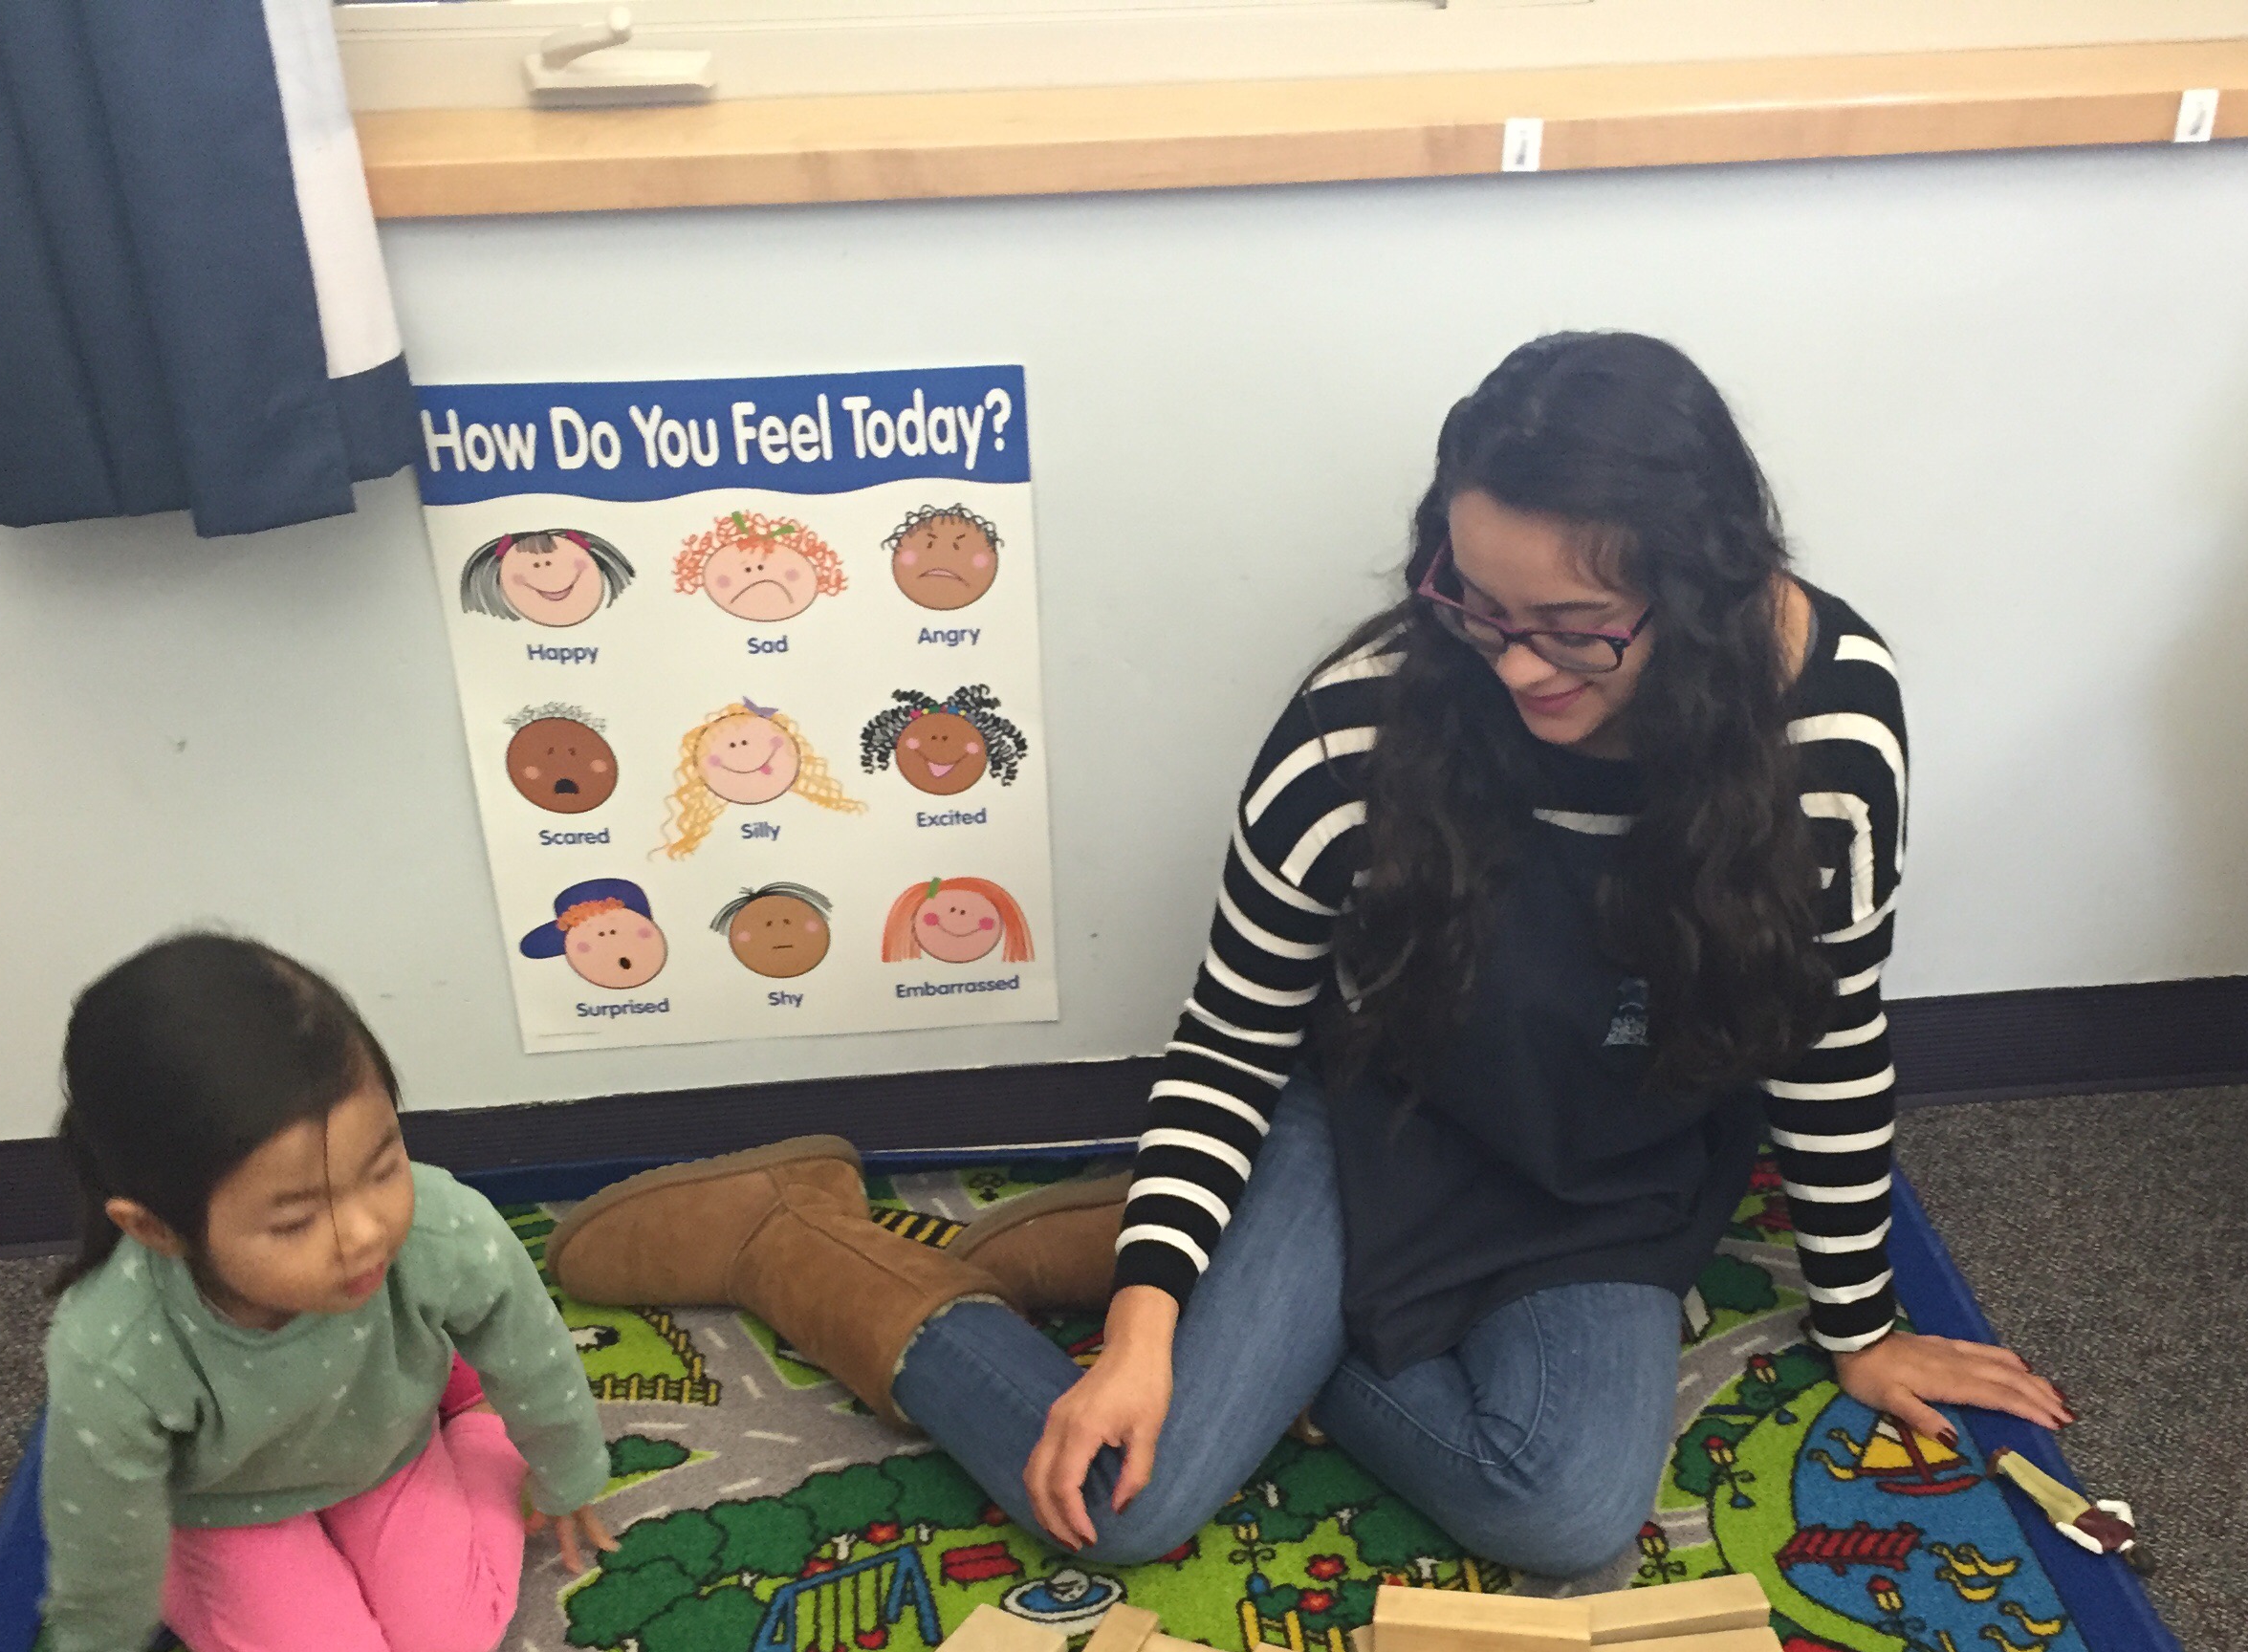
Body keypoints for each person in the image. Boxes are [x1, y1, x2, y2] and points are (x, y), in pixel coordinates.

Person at [546, 332, 2066, 1584]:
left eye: (1574, 628)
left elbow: (1827, 1032)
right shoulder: (1358, 730)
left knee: (1562, 1514)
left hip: (1611, 1168)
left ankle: (1196, 1276)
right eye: (1475, 605)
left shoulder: (1831, 723)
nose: (1513, 663)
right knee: (1132, 1503)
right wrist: (1150, 1330)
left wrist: (1863, 1327)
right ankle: (797, 1242)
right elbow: (1232, 1040)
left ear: (1708, 590)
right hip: (1370, 1131)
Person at [31, 935, 616, 1652]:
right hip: (225, 1502)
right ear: (156, 1229)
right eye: (295, 1220)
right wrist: (95, 1648)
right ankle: (181, 1560)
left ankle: (465, 1407)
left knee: (453, 1642)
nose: (365, 1233)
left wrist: (567, 1471)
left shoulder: (443, 1227)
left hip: (386, 1448)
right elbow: (102, 1514)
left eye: (383, 1168)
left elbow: (536, 1354)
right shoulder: (115, 1346)